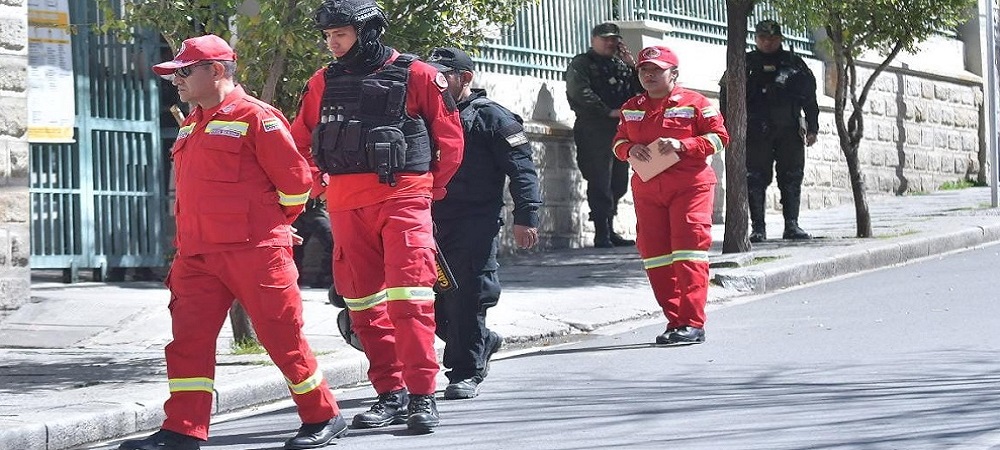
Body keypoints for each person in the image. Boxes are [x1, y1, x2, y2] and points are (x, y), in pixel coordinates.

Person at [121, 35, 346, 450]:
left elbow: (297, 184)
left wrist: (273, 225)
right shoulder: (192, 123)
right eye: (174, 74)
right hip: (196, 255)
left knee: (282, 338)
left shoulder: (257, 117)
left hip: (255, 252)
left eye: (184, 72)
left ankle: (323, 415)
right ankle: (183, 429)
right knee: (188, 343)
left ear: (216, 70)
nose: (176, 81)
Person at [290, 0, 464, 434]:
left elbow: (450, 140)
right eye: (328, 36)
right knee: (363, 304)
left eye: (340, 34)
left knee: (411, 300)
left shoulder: (419, 74)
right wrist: (319, 185)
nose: (332, 43)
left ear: (367, 32)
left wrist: (426, 190)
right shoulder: (322, 81)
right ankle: (391, 393)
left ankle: (422, 394)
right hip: (346, 205)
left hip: (403, 199)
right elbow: (299, 142)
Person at [425, 47, 542, 400]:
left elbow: (522, 171)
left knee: (468, 296)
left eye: (443, 75)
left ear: (465, 78)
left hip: (474, 221)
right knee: (430, 302)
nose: (435, 81)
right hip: (428, 220)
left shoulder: (492, 117)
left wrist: (527, 217)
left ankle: (466, 371)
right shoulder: (424, 113)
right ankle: (482, 342)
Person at [612, 45, 729, 345]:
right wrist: (628, 149)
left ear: (674, 74)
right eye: (644, 70)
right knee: (655, 256)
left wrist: (683, 145)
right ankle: (676, 321)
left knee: (688, 251)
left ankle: (692, 323)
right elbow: (618, 142)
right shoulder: (631, 107)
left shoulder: (695, 103)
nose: (649, 75)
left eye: (657, 70)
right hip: (648, 189)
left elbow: (720, 138)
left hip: (690, 186)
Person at [726, 19, 819, 243]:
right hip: (756, 132)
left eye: (773, 38)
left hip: (788, 130)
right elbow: (726, 96)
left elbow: (809, 98)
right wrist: (728, 128)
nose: (768, 42)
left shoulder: (794, 64)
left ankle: (792, 225)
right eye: (763, 38)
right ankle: (758, 228)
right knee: (755, 178)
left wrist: (813, 127)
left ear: (780, 39)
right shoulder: (744, 63)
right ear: (756, 39)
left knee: (792, 177)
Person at [565, 22, 641, 248]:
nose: (610, 43)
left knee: (619, 182)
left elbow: (639, 90)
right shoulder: (582, 63)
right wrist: (606, 111)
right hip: (594, 128)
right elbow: (579, 92)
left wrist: (633, 66)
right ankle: (601, 232)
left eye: (613, 39)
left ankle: (610, 227)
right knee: (600, 180)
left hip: (620, 129)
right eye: (605, 38)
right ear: (594, 40)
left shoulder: (620, 65)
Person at [291, 191, 334, 289]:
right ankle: (294, 278)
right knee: (293, 247)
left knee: (331, 240)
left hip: (316, 209)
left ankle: (326, 277)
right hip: (294, 210)